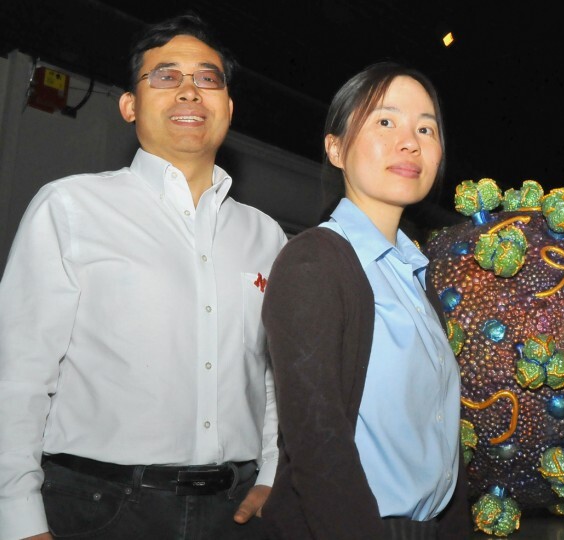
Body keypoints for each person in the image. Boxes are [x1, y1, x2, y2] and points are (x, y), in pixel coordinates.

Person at [0, 14, 286, 540]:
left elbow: (271, 375)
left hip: (236, 512)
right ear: (130, 105)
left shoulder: (267, 236)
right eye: (165, 76)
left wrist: (272, 474)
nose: (188, 91)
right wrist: (16, 518)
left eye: (207, 79)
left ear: (227, 107)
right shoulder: (71, 208)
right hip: (97, 508)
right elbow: (18, 372)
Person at [260, 62, 469, 539]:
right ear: (335, 148)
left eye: (425, 128)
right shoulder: (314, 262)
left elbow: (441, 441)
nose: (410, 141)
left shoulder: (415, 275)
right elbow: (317, 445)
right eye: (385, 121)